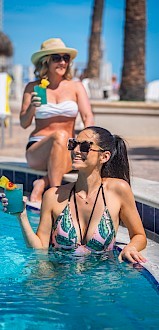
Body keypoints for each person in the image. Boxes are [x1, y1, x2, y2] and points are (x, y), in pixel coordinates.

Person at [2, 126, 147, 263]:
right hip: (60, 278)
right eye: (73, 144)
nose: (76, 150)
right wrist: (22, 216)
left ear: (104, 157)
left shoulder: (118, 190)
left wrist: (131, 247)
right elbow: (40, 249)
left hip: (101, 281)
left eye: (84, 147)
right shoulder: (53, 196)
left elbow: (139, 235)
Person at [20, 38, 94, 203]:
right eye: (56, 58)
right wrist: (32, 106)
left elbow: (87, 116)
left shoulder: (76, 86)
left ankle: (43, 183)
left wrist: (86, 142)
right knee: (60, 135)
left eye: (65, 58)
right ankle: (55, 194)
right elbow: (24, 123)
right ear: (45, 62)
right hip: (38, 149)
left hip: (67, 149)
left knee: (66, 141)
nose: (62, 62)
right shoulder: (33, 88)